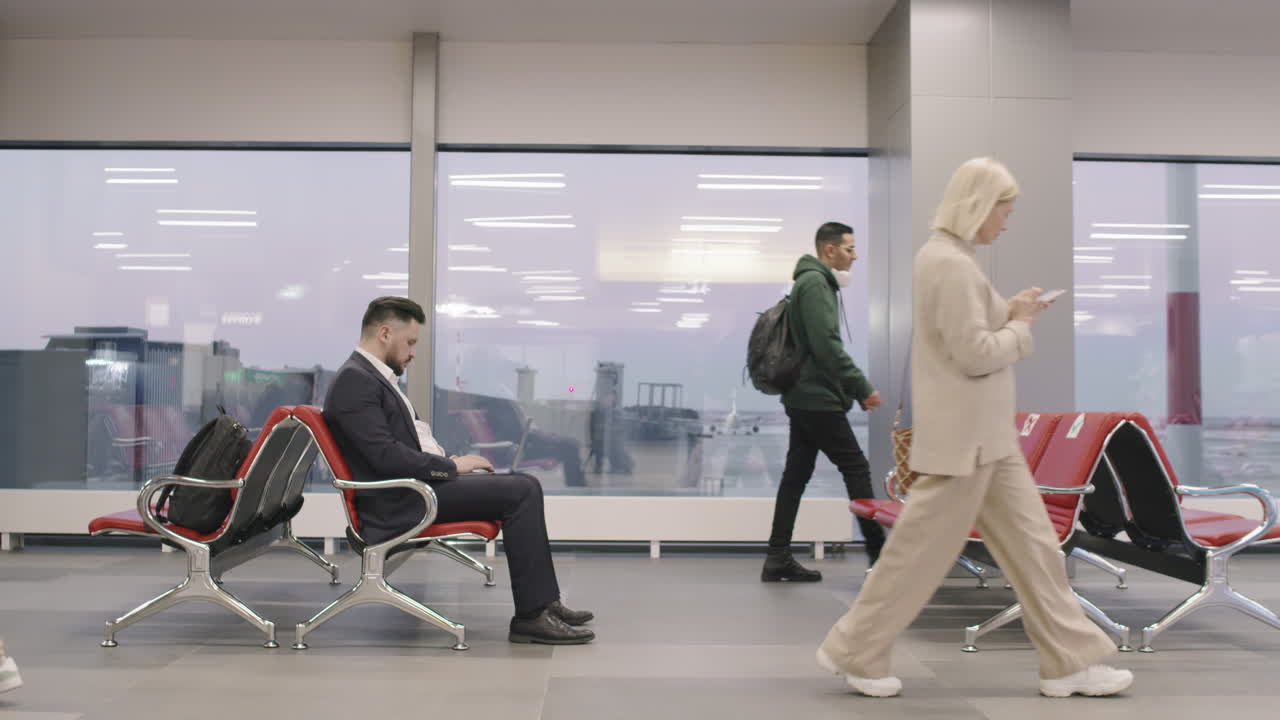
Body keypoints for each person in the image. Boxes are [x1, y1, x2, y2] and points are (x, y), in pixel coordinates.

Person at [817, 158, 1133, 698]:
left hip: (985, 440)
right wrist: (1022, 327)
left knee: (1036, 551)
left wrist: (1009, 311)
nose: (1006, 223)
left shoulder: (948, 258)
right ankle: (855, 651)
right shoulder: (950, 263)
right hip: (968, 441)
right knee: (918, 555)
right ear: (980, 207)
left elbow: (960, 333)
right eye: (1004, 212)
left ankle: (1070, 662)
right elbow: (973, 354)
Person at [323, 296, 594, 645]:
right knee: (522, 491)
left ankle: (543, 603)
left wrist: (451, 461)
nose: (413, 352)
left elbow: (406, 444)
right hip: (399, 501)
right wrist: (450, 467)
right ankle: (532, 615)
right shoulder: (355, 382)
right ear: (386, 333)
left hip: (411, 487)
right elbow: (386, 457)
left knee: (523, 483)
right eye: (410, 342)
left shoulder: (370, 378)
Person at [763, 221, 885, 582]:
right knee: (856, 468)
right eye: (849, 248)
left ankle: (777, 556)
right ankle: (881, 557)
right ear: (829, 250)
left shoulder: (811, 282)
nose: (855, 255)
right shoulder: (816, 283)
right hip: (816, 397)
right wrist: (861, 387)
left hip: (805, 395)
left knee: (796, 475)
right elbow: (827, 346)